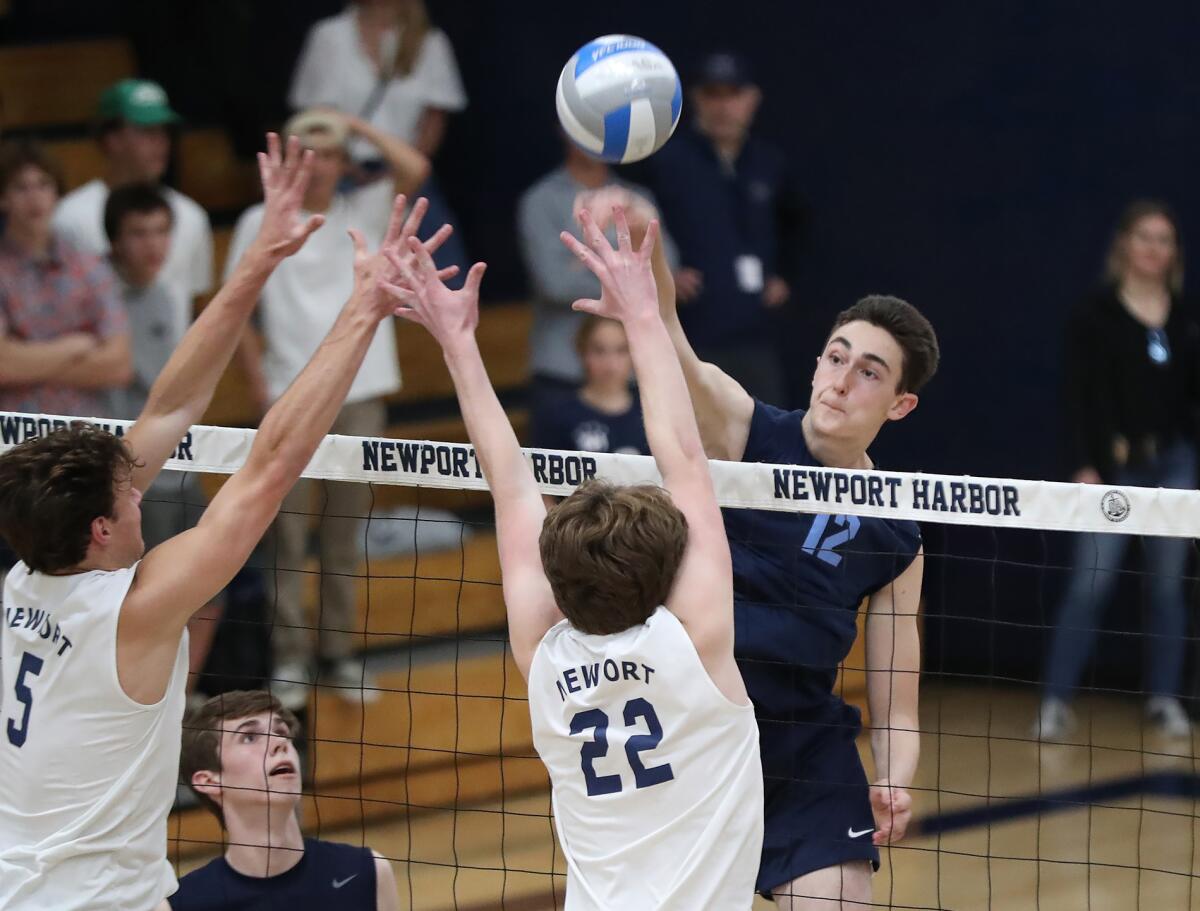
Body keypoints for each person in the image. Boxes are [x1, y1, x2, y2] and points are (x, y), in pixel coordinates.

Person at [0, 133, 440, 910]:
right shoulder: (131, 611)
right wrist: (363, 308)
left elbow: (169, 405)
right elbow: (270, 465)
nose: (143, 488)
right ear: (101, 530)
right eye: (129, 496)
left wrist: (258, 260)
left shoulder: (28, 570)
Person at [384, 205, 763, 908]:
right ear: (662, 569)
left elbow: (508, 483)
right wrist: (644, 313)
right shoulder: (695, 642)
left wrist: (457, 343)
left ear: (560, 579)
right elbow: (683, 453)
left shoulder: (548, 661)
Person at [581, 195, 937, 906]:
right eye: (836, 356)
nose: (840, 378)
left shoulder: (896, 532)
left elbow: (897, 699)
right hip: (694, 737)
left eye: (868, 371)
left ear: (899, 404)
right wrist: (646, 247)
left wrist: (895, 773)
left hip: (802, 755)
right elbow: (675, 351)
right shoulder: (746, 431)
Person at [229, 108, 433, 709]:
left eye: (330, 152)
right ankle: (290, 656)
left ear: (345, 162)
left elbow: (416, 166)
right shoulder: (257, 221)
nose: (319, 163)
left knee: (345, 539)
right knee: (286, 537)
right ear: (294, 158)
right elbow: (237, 307)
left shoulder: (368, 212)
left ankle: (339, 654)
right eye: (308, 151)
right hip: (288, 398)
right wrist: (258, 382)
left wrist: (351, 122)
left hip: (361, 398)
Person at [1036, 200, 1200, 741]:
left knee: (1168, 588)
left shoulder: (1185, 315)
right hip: (1113, 468)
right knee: (1090, 583)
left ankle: (1163, 699)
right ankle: (1056, 701)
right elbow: (1078, 398)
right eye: (1146, 237)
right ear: (1125, 243)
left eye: (1165, 240)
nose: (1155, 249)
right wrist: (1087, 464)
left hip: (1173, 464)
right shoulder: (1095, 314)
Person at [103, 183, 222, 691]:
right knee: (127, 598)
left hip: (176, 469)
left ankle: (177, 699)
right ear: (114, 241)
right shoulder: (98, 294)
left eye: (161, 231)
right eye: (138, 232)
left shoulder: (171, 294)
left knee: (209, 591)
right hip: (118, 478)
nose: (152, 244)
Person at [635, 52, 805, 404]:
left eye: (733, 94)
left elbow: (798, 221)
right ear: (695, 99)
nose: (723, 106)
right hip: (692, 331)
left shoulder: (768, 162)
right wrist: (663, 272)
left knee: (764, 434)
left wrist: (784, 274)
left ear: (752, 99)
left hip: (755, 332)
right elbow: (639, 220)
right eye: (713, 94)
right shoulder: (669, 162)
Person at [158, 690, 398, 910]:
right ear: (209, 781)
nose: (279, 743)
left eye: (281, 731)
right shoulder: (182, 905)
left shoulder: (367, 871)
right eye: (249, 737)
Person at [290, 0, 469, 278]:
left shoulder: (430, 42)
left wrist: (396, 174)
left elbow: (434, 120)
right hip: (339, 176)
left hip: (405, 175)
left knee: (446, 275)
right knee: (341, 273)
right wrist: (343, 166)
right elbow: (315, 119)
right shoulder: (328, 36)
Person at [518, 136, 673, 404]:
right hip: (562, 369)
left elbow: (664, 274)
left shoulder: (637, 199)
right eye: (586, 125)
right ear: (564, 127)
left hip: (635, 370)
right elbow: (555, 283)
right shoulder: (539, 200)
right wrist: (629, 279)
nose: (595, 136)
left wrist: (582, 261)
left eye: (605, 128)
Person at [52, 79, 213, 336]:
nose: (160, 142)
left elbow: (197, 307)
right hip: (97, 369)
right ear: (111, 139)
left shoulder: (192, 216)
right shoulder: (69, 218)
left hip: (172, 370)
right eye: (147, 131)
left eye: (164, 132)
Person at [0, 140, 131, 419]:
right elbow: (2, 365)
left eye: (44, 185)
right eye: (21, 187)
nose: (34, 197)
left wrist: (25, 357)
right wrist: (72, 347)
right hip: (15, 435)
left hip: (83, 430)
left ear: (57, 193)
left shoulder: (89, 264)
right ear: (3, 198)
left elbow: (118, 364)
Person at [531, 314, 647, 456]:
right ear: (582, 351)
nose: (611, 364)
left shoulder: (650, 413)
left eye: (621, 350)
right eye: (599, 351)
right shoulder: (557, 415)